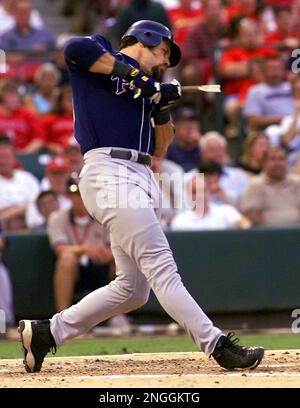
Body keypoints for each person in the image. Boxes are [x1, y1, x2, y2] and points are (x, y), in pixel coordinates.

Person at [18, 19, 264, 373]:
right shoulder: (102, 59)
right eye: (164, 52)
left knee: (133, 289)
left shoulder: (149, 91)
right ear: (146, 40)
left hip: (140, 174)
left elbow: (161, 147)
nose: (167, 61)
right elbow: (74, 49)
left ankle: (46, 333)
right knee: (162, 266)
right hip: (108, 169)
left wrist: (162, 103)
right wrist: (135, 77)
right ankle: (218, 345)